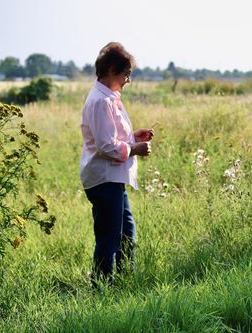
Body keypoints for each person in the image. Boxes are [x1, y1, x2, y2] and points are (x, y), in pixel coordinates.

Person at [80, 42, 153, 283]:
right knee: (109, 238)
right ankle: (101, 286)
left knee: (126, 233)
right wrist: (135, 149)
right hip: (103, 179)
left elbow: (112, 138)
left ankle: (124, 282)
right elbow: (106, 146)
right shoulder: (101, 101)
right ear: (111, 69)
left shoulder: (108, 98)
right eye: (126, 74)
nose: (128, 80)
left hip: (112, 178)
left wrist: (134, 137)